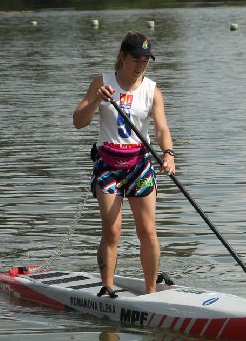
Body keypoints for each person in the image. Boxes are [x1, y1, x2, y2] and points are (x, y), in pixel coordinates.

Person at [73, 30, 175, 296]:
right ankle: (106, 288)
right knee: (112, 230)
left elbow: (162, 127)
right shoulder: (102, 82)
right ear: (122, 56)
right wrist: (97, 99)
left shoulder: (152, 90)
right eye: (136, 59)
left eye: (146, 60)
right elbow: (78, 121)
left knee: (148, 230)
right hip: (108, 165)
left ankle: (151, 292)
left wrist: (168, 153)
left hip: (139, 165)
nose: (141, 65)